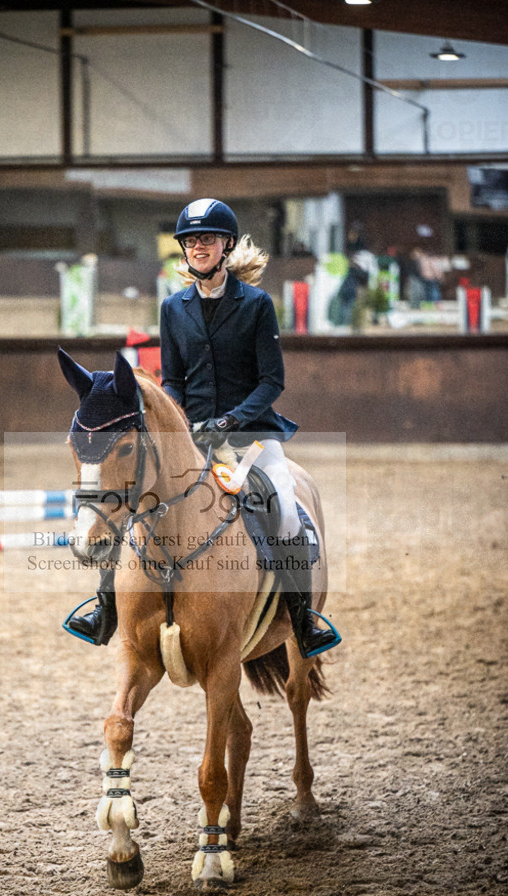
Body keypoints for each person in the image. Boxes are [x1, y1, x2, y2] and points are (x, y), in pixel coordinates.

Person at [68, 198, 340, 659]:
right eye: (191, 241)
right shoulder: (174, 308)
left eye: (207, 240)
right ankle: (104, 607)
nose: (198, 247)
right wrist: (176, 417)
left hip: (251, 434)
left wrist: (231, 419)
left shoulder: (256, 305)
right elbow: (172, 377)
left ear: (225, 247)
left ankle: (303, 619)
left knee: (285, 508)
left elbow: (272, 380)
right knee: (134, 502)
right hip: (190, 434)